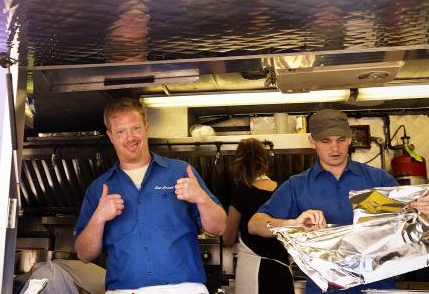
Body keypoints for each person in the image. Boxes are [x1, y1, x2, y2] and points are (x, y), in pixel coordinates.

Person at [74, 97, 227, 293]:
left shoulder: (181, 172)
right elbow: (84, 254)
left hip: (183, 289)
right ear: (111, 136)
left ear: (146, 128)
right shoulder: (98, 189)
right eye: (120, 131)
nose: (130, 138)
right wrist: (99, 217)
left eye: (135, 128)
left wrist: (202, 199)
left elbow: (220, 227)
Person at [247, 109, 400, 294]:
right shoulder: (297, 185)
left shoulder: (380, 180)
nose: (334, 148)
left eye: (341, 140)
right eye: (325, 141)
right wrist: (292, 224)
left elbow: (408, 224)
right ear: (312, 142)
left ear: (350, 138)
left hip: (377, 288)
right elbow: (254, 225)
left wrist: (422, 210)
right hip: (325, 290)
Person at [223, 138, 295, 294]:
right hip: (282, 271)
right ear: (266, 163)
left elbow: (228, 239)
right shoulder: (283, 189)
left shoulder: (242, 191)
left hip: (254, 273)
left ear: (239, 165)